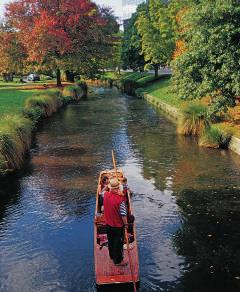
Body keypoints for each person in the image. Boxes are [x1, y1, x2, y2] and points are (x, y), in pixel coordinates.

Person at [103, 178, 128, 266]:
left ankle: (111, 256)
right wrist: (126, 224)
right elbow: (123, 215)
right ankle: (118, 261)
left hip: (108, 224)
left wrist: (108, 187)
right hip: (118, 226)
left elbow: (104, 191)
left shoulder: (105, 195)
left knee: (111, 240)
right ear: (118, 188)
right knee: (118, 243)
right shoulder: (121, 200)